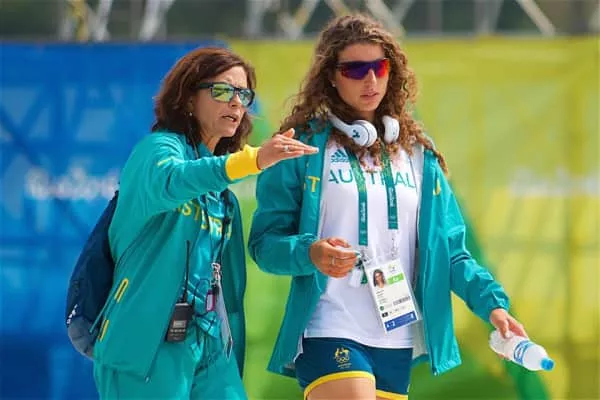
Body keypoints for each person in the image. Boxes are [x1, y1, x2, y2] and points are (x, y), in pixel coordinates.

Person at [248, 14, 528, 400]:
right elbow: (264, 244)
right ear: (331, 77)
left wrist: (493, 307)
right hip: (329, 326)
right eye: (355, 69)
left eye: (379, 68)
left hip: (397, 337)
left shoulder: (418, 153)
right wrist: (309, 252)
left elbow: (452, 253)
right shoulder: (303, 147)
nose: (370, 80)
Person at [91, 47, 318, 399]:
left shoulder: (223, 197)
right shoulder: (157, 149)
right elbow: (175, 181)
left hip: (209, 341)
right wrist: (253, 161)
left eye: (244, 94)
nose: (236, 102)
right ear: (187, 98)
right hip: (145, 344)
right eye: (223, 90)